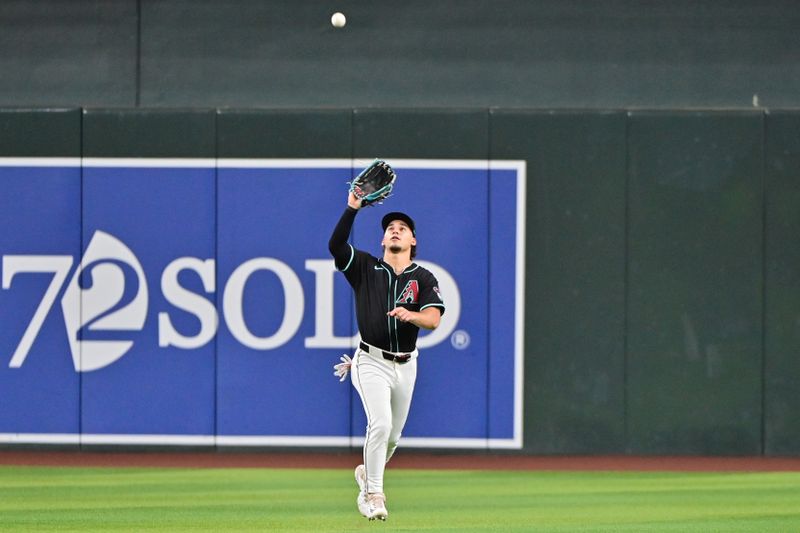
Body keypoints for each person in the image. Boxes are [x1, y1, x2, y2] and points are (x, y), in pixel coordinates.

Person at [329, 190, 445, 521]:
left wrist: (412, 316)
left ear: (413, 241)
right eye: (390, 227)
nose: (395, 229)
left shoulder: (423, 278)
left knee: (392, 437)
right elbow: (336, 247)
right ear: (382, 240)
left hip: (407, 365)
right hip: (370, 360)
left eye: (402, 228)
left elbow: (434, 320)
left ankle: (368, 473)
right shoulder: (365, 267)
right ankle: (373, 495)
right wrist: (353, 208)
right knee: (379, 425)